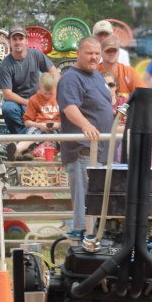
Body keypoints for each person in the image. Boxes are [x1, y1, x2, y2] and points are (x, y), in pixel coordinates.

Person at [56, 36, 115, 237]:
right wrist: (86, 125)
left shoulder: (97, 76)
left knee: (96, 201)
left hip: (100, 151)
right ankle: (81, 242)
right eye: (89, 53)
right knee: (83, 201)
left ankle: (93, 241)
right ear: (78, 53)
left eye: (97, 54)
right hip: (82, 150)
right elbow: (69, 107)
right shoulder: (71, 78)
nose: (94, 57)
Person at [0, 25, 58, 136]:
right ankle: (22, 138)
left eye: (21, 38)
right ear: (9, 42)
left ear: (26, 41)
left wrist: (52, 94)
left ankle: (37, 138)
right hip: (17, 101)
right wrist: (29, 102)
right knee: (8, 108)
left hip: (39, 97)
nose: (18, 42)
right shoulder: (5, 64)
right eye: (14, 39)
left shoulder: (36, 54)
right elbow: (7, 94)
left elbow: (54, 73)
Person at [12, 71, 60, 160]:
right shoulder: (34, 99)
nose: (48, 96)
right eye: (45, 93)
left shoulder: (60, 98)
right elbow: (27, 122)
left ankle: (30, 154)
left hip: (56, 128)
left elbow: (66, 118)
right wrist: (39, 125)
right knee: (31, 136)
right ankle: (16, 150)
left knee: (63, 134)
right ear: (39, 87)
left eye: (51, 93)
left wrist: (58, 124)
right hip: (39, 126)